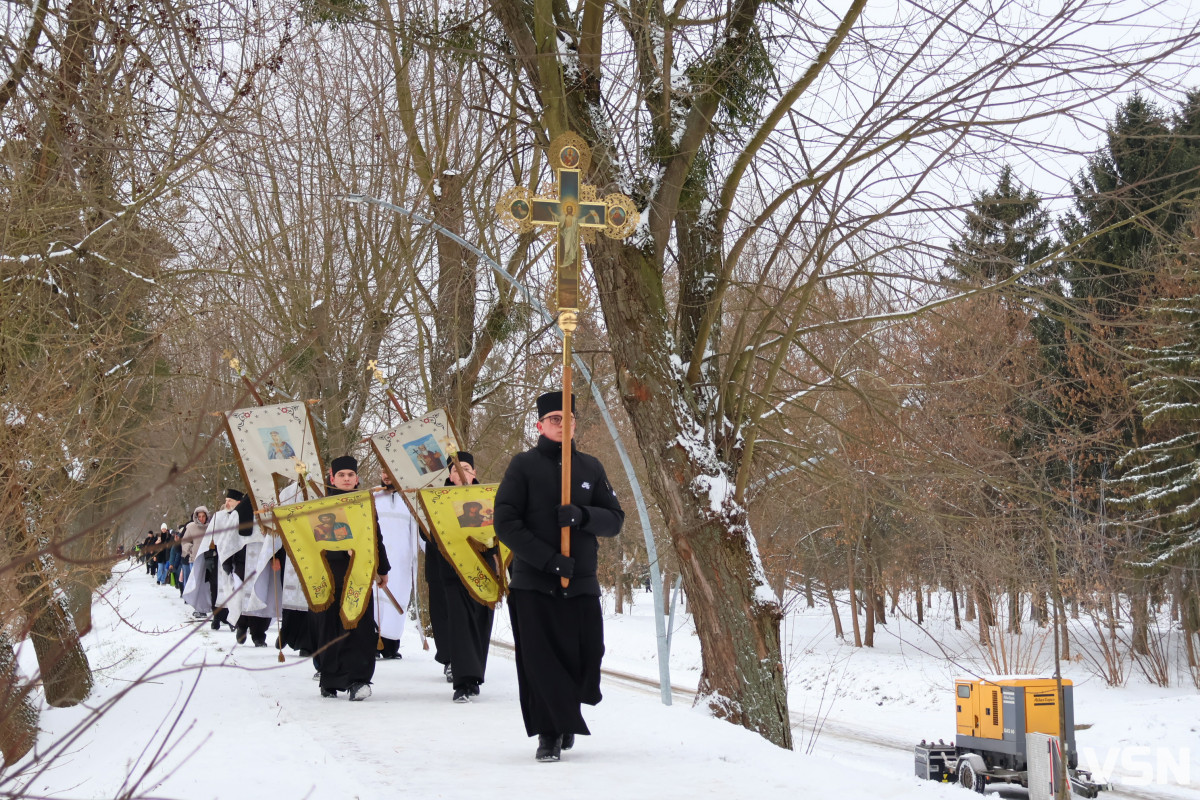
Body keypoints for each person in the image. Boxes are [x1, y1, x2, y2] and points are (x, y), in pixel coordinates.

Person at [494, 392, 624, 762]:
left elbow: (615, 520)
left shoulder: (590, 468)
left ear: (575, 423)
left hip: (581, 582)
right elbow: (505, 523)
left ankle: (566, 714)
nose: (561, 424)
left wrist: (582, 516)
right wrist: (549, 560)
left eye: (567, 417)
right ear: (539, 425)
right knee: (542, 661)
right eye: (553, 418)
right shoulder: (523, 466)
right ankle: (549, 734)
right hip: (534, 583)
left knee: (586, 654)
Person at [314, 455, 390, 701]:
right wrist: (339, 548)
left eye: (350, 475)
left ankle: (359, 680)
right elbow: (315, 538)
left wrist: (383, 569)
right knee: (331, 624)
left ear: (357, 478)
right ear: (332, 478)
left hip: (360, 570)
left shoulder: (365, 502)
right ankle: (330, 678)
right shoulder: (321, 505)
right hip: (330, 572)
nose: (346, 479)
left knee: (360, 623)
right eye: (341, 475)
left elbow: (375, 536)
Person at [427, 452, 497, 703]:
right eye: (455, 469)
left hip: (484, 570)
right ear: (450, 475)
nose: (461, 472)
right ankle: (464, 681)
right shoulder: (436, 499)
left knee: (480, 624)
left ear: (474, 473)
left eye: (465, 468)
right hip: (453, 571)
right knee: (459, 624)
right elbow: (429, 536)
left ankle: (475, 674)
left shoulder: (489, 496)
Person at [372, 470, 420, 660]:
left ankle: (391, 646)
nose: (386, 476)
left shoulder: (410, 499)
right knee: (375, 603)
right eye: (383, 472)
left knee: (397, 600)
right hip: (378, 559)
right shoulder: (372, 496)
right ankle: (373, 645)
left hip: (401, 560)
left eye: (390, 472)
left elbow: (420, 532)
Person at [179, 506, 207, 603]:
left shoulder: (211, 527)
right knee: (196, 582)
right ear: (196, 517)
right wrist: (190, 548)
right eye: (199, 516)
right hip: (194, 559)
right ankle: (195, 602)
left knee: (205, 583)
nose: (201, 519)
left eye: (203, 516)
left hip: (208, 559)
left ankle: (204, 603)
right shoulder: (191, 527)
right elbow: (184, 541)